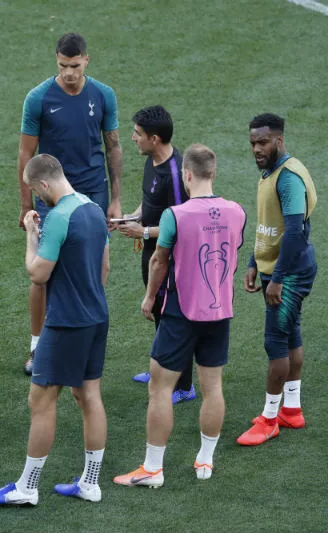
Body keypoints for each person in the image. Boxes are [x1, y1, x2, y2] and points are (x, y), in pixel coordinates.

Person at [113, 144, 246, 488]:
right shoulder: (237, 212)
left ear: (187, 175)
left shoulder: (176, 215)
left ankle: (152, 469)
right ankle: (205, 460)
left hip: (180, 311)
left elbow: (159, 260)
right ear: (213, 173)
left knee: (160, 387)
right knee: (212, 387)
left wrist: (149, 298)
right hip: (220, 312)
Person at [0, 154, 109, 506]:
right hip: (97, 316)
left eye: (35, 191)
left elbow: (37, 274)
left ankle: (27, 488)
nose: (37, 198)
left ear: (44, 184)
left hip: (66, 321)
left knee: (40, 400)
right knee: (88, 395)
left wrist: (31, 236)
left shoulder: (58, 218)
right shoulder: (94, 209)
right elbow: (104, 268)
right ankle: (90, 483)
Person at [19, 32, 122, 374]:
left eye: (75, 66)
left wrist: (116, 199)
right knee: (42, 275)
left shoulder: (103, 95)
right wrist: (25, 204)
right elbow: (26, 153)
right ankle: (37, 346)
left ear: (86, 61)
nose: (69, 73)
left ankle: (84, 333)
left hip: (93, 194)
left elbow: (113, 147)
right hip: (50, 197)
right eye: (63, 66)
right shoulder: (38, 98)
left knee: (98, 266)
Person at [237, 114, 317, 446]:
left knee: (276, 344)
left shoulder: (287, 179)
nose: (256, 149)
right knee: (290, 335)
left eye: (263, 142)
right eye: (253, 143)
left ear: (279, 140)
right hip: (282, 268)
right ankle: (292, 410)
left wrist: (278, 279)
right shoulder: (272, 173)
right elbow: (269, 224)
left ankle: (270, 419)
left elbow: (295, 233)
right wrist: (254, 262)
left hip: (290, 273)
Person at [117, 105, 195, 403]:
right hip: (152, 253)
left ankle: (184, 386)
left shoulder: (175, 174)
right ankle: (162, 368)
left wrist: (143, 232)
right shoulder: (153, 161)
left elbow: (183, 225)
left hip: (170, 259)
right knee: (160, 315)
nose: (133, 138)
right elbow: (150, 202)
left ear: (155, 138)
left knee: (173, 319)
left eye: (137, 134)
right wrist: (132, 217)